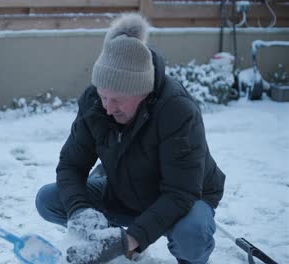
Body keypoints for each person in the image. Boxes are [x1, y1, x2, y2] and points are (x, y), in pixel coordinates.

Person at [35, 13, 226, 264]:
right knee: (49, 199)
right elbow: (71, 164)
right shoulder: (95, 102)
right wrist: (81, 212)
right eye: (103, 96)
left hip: (184, 197)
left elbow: (180, 192)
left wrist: (128, 243)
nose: (107, 107)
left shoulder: (177, 110)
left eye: (117, 100)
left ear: (142, 92)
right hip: (124, 189)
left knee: (192, 236)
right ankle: (117, 236)